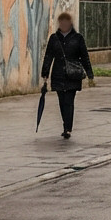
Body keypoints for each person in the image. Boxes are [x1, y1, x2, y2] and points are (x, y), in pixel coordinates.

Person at [41, 11, 94, 139]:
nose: (64, 24)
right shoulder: (54, 38)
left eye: (66, 22)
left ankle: (68, 128)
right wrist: (45, 73)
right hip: (58, 74)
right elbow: (48, 56)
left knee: (69, 101)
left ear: (70, 23)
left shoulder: (78, 38)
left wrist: (89, 73)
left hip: (72, 74)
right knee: (61, 101)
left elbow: (84, 56)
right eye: (61, 22)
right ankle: (66, 124)